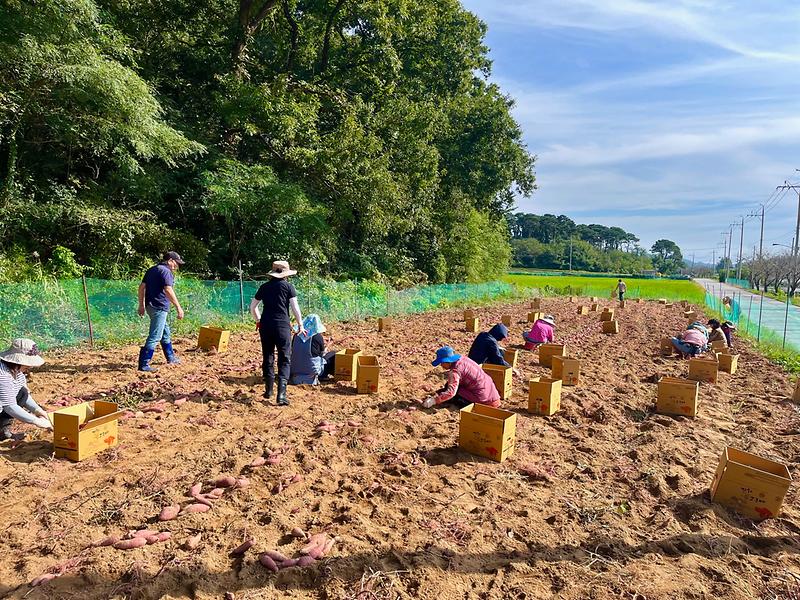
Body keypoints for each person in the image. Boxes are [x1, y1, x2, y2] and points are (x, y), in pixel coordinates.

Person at [250, 261, 306, 406]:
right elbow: (295, 307)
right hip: (282, 326)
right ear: (286, 275)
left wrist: (258, 320)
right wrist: (300, 325)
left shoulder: (264, 287)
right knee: (284, 357)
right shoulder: (288, 287)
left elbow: (253, 306)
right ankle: (281, 395)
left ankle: (268, 390)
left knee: (268, 355)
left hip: (266, 325)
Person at [137, 251, 185, 372]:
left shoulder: (152, 270)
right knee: (155, 335)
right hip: (159, 306)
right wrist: (178, 307)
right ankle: (144, 364)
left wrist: (141, 305)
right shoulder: (166, 271)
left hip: (150, 306)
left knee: (165, 332)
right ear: (170, 261)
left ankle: (170, 357)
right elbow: (168, 289)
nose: (177, 266)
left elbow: (142, 287)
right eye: (176, 263)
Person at [0, 339, 53, 441]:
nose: (30, 366)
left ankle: (2, 431)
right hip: (5, 406)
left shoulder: (17, 371)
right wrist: (36, 421)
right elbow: (9, 406)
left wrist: (38, 411)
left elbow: (24, 395)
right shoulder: (2, 374)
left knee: (22, 393)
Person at [421, 346, 501, 409]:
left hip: (485, 402)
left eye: (442, 363)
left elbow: (451, 393)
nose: (441, 366)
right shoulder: (463, 359)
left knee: (454, 396)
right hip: (492, 394)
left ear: (447, 361)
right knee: (449, 385)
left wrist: (434, 401)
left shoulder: (455, 372)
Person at [289, 314, 335, 385]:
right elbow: (322, 354)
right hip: (312, 370)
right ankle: (323, 376)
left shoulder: (296, 336)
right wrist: (328, 345)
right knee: (332, 355)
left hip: (295, 369)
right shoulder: (317, 336)